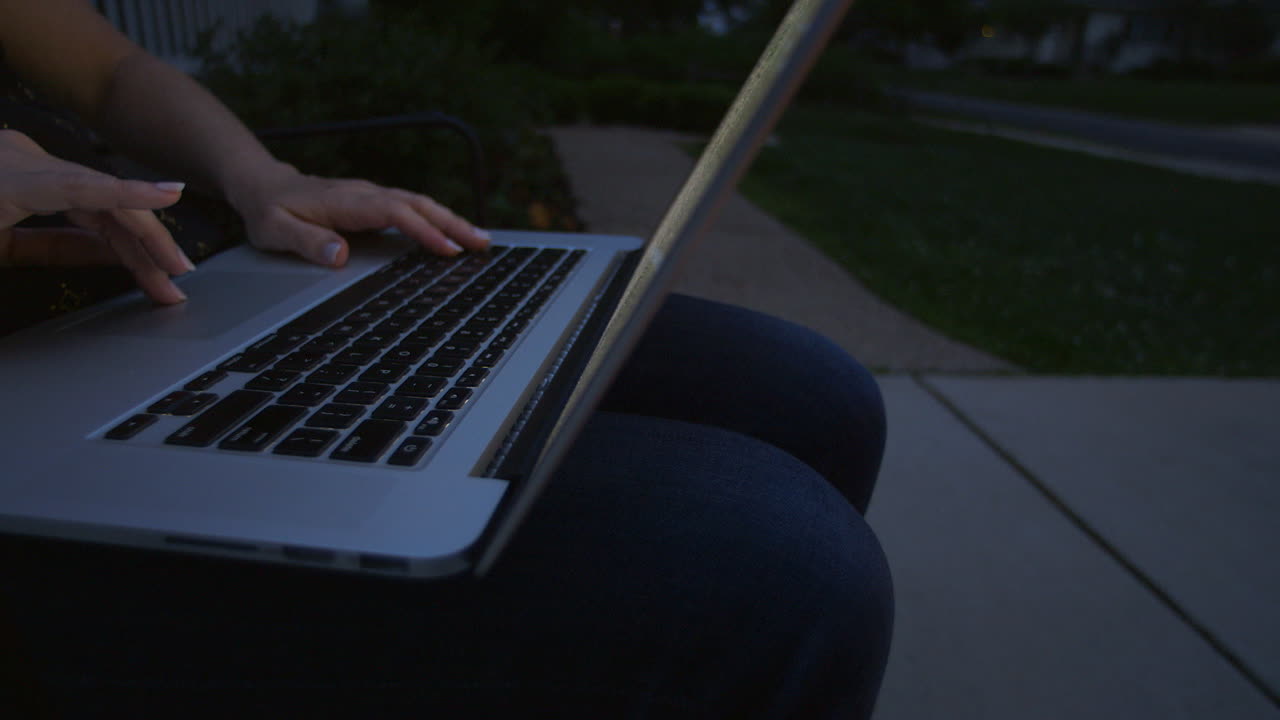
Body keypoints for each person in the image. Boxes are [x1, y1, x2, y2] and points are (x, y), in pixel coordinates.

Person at [0, 1, 893, 716]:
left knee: (814, 391)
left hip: (169, 284)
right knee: (789, 573)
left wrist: (263, 178)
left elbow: (108, 68)